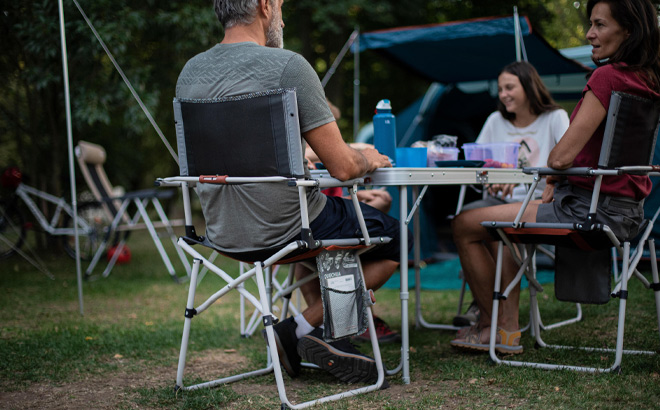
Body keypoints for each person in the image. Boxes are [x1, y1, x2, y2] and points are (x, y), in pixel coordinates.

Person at [176, 0, 408, 384]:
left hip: (222, 234)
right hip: (288, 229)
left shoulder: (191, 72)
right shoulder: (288, 66)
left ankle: (330, 334)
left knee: (338, 236)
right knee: (397, 236)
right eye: (280, 4)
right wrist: (370, 158)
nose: (280, 13)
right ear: (265, 6)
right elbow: (345, 168)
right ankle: (298, 328)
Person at [450, 0, 660, 354]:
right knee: (499, 226)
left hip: (585, 210)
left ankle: (493, 326)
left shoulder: (607, 77)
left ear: (628, 29)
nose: (590, 34)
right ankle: (505, 326)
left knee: (465, 224)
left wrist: (551, 176)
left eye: (600, 25)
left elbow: (560, 156)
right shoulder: (650, 81)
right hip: (629, 212)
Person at [453, 61, 569, 328]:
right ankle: (490, 305)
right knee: (467, 219)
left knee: (495, 231)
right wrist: (495, 175)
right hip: (499, 200)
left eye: (509, 87)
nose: (503, 94)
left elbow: (568, 162)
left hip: (539, 204)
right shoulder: (496, 121)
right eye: (500, 89)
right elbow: (478, 162)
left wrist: (522, 177)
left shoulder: (555, 118)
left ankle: (495, 313)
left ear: (529, 87)